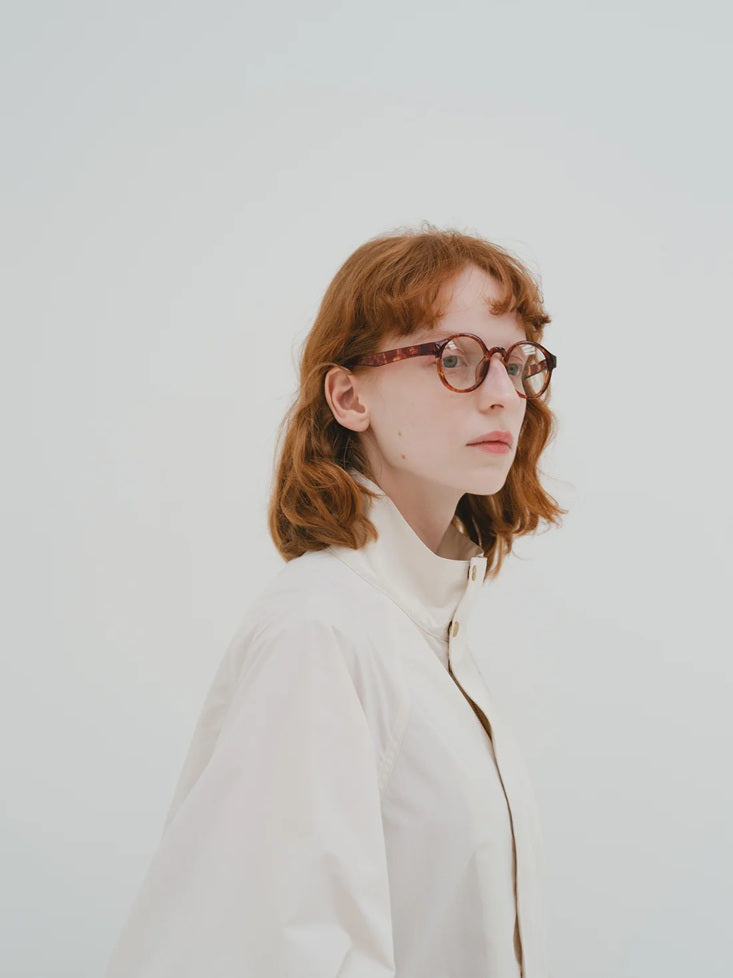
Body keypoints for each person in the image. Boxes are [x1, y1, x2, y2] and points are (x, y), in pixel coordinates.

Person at [104, 226, 563, 978]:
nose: (504, 394)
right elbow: (270, 954)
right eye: (456, 358)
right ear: (349, 396)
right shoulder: (321, 630)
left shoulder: (427, 634)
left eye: (517, 364)